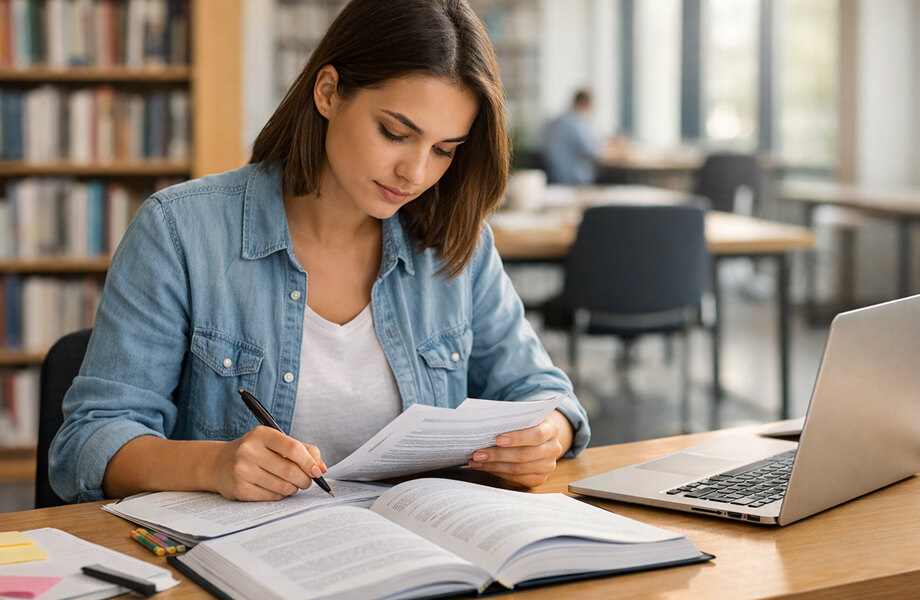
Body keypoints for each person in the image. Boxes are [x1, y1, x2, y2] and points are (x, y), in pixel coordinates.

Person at [49, 0, 590, 504]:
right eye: (395, 133)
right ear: (328, 92)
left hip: (421, 552)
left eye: (444, 150)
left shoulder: (454, 240)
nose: (417, 173)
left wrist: (547, 433)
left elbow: (544, 392)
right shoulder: (181, 230)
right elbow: (90, 440)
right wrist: (211, 465)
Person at [540, 89, 603, 185]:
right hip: (571, 177)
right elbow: (593, 151)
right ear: (583, 103)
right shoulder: (576, 122)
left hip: (552, 174)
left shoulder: (556, 120)